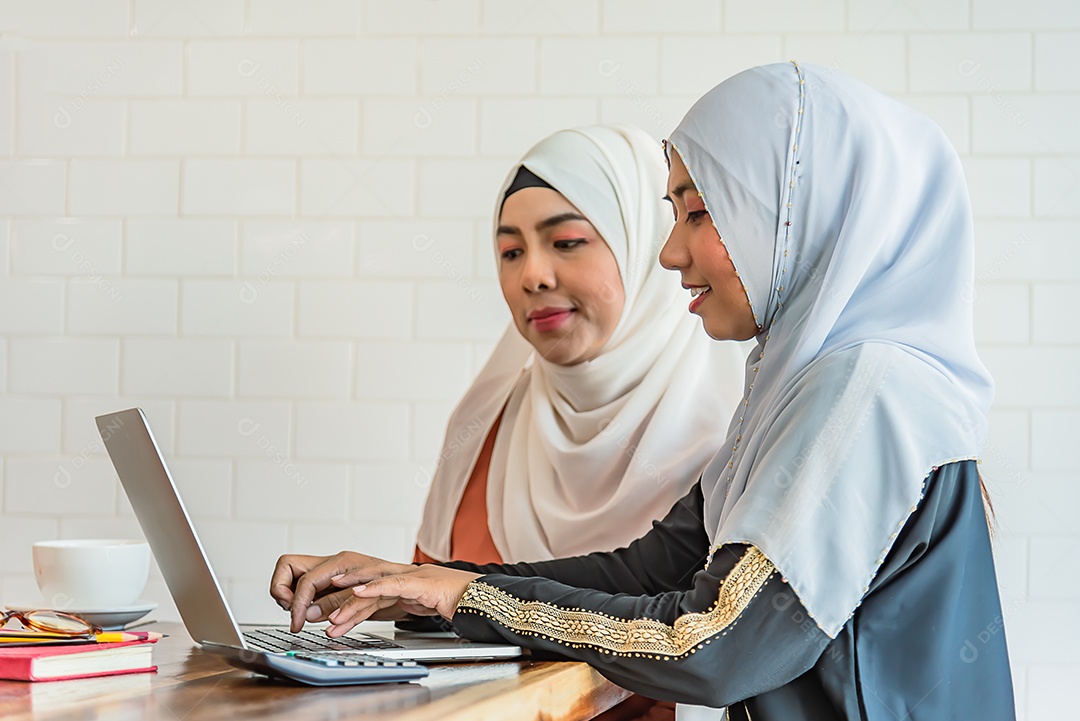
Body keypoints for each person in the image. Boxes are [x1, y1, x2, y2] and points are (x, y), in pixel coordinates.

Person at [271, 63, 1015, 720]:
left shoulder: (868, 391)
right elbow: (652, 568)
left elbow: (710, 643)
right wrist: (431, 584)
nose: (670, 252)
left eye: (700, 211)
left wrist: (468, 598)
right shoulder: (798, 390)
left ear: (797, 213)